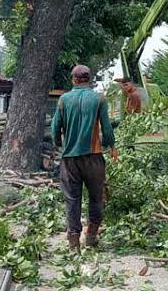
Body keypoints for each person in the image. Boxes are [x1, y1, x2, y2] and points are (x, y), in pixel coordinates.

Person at [52, 65, 117, 252]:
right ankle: (91, 237)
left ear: (73, 79)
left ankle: (74, 244)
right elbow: (107, 128)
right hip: (94, 158)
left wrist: (58, 144)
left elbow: (56, 127)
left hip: (70, 159)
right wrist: (111, 147)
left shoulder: (64, 100)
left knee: (72, 199)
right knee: (96, 198)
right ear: (89, 79)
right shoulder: (98, 99)